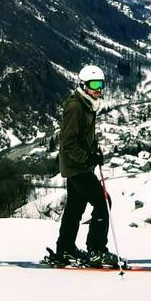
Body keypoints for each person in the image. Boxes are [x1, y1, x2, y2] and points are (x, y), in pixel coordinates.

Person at [52, 64, 118, 266]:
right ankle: (96, 249)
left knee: (74, 207)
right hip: (76, 166)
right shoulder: (75, 106)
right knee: (103, 202)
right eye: (95, 84)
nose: (99, 89)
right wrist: (87, 159)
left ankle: (65, 249)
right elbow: (68, 142)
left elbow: (85, 135)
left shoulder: (87, 103)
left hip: (79, 164)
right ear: (83, 85)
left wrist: (94, 151)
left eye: (101, 84)